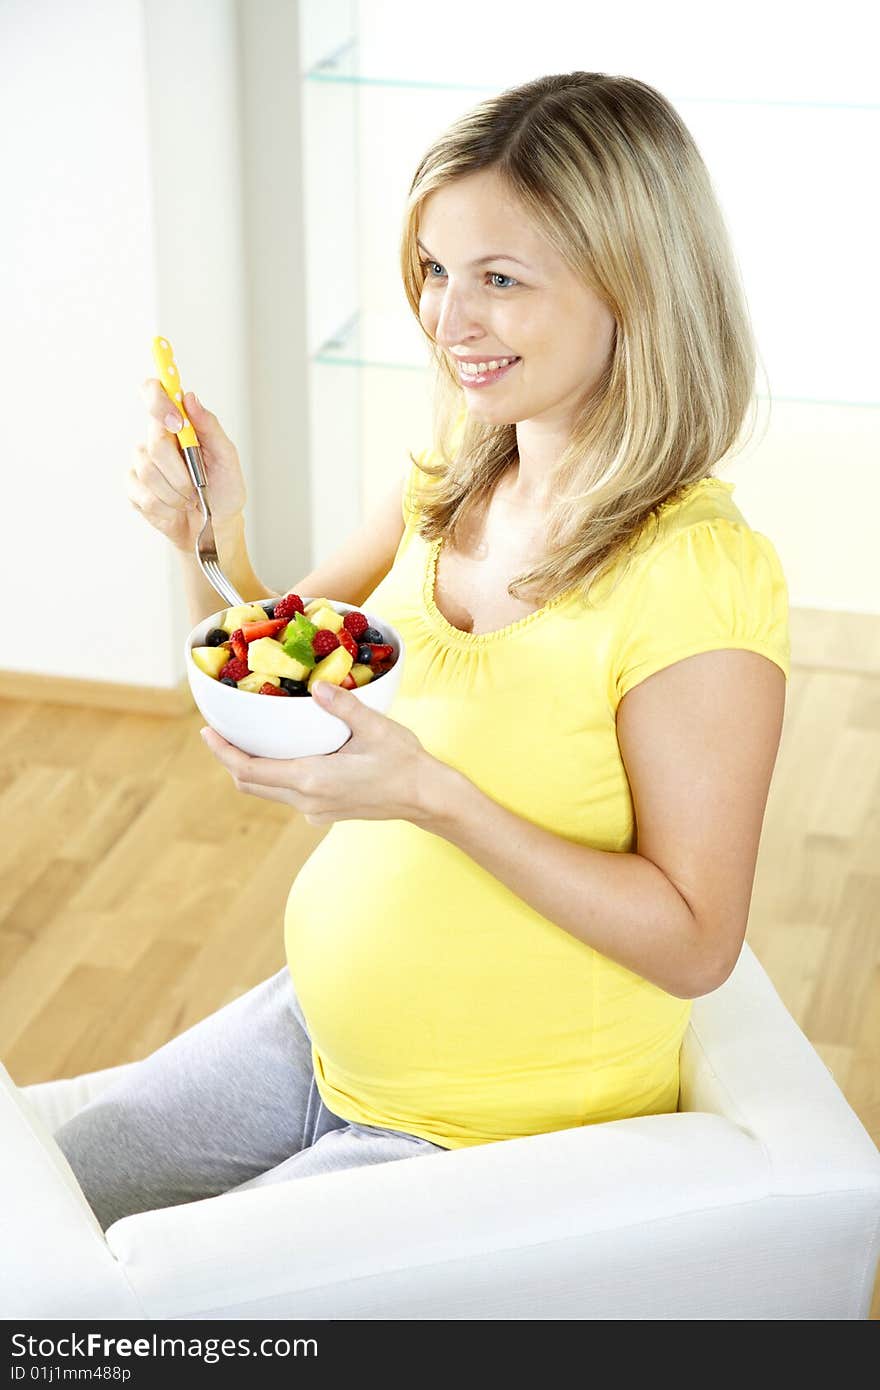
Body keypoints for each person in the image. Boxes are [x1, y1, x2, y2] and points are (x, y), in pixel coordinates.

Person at [56, 71, 790, 1231]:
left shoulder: (694, 579)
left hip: (484, 1122)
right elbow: (290, 659)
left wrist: (430, 795)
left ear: (634, 290)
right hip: (316, 1034)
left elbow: (696, 941)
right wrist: (217, 541)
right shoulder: (452, 482)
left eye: (499, 278)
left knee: (111, 1324)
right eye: (437, 270)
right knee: (34, 1220)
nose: (447, 319)